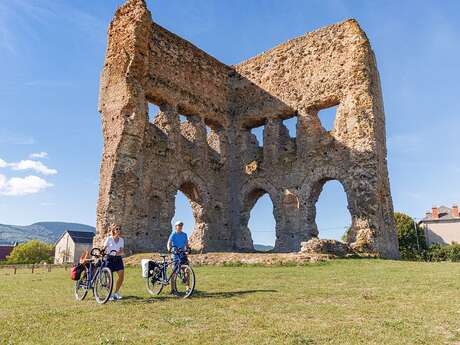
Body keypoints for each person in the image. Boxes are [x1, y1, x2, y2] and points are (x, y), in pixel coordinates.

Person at [167, 221, 191, 293]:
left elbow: (186, 244)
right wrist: (169, 249)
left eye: (181, 225)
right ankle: (173, 289)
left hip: (182, 255)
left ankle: (187, 288)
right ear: (176, 227)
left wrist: (188, 249)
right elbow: (169, 243)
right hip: (175, 255)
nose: (180, 226)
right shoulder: (173, 235)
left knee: (187, 271)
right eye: (178, 225)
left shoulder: (184, 235)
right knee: (174, 273)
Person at [103, 224, 125, 301]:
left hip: (118, 259)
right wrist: (104, 252)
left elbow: (122, 250)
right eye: (117, 229)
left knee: (121, 276)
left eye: (119, 229)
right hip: (109, 258)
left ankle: (116, 293)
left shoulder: (121, 240)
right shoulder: (109, 239)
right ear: (113, 230)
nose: (118, 231)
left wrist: (120, 252)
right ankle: (109, 294)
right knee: (110, 278)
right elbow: (104, 248)